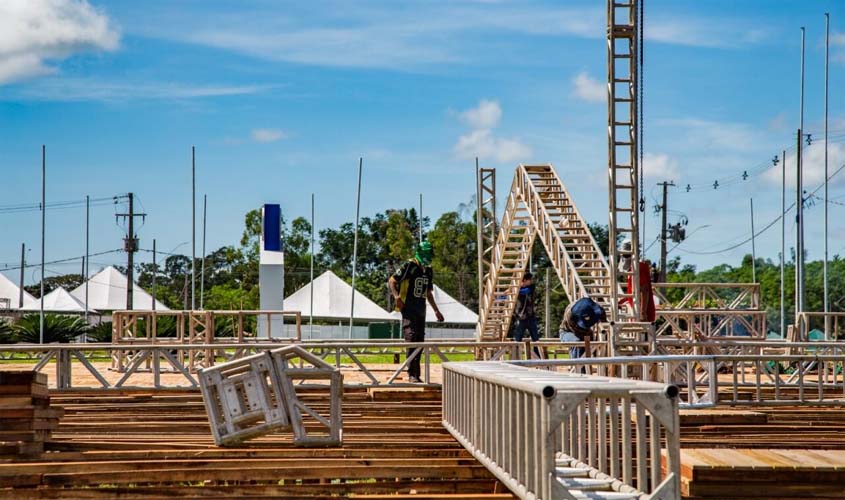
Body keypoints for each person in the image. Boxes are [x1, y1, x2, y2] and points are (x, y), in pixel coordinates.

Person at [388, 241, 444, 383]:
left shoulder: (428, 270)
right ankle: (411, 373)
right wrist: (397, 297)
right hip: (408, 308)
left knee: (420, 341)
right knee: (411, 338)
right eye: (427, 254)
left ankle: (416, 374)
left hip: (421, 309)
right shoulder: (410, 265)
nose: (429, 257)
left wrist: (436, 310)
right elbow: (392, 281)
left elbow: (428, 293)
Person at [512, 272, 541, 357]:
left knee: (536, 339)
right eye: (529, 280)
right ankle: (516, 357)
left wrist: (514, 289)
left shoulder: (530, 287)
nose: (531, 281)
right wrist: (513, 290)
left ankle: (538, 358)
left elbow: (523, 292)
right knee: (518, 339)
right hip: (520, 317)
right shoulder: (516, 289)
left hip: (530, 317)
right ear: (525, 280)